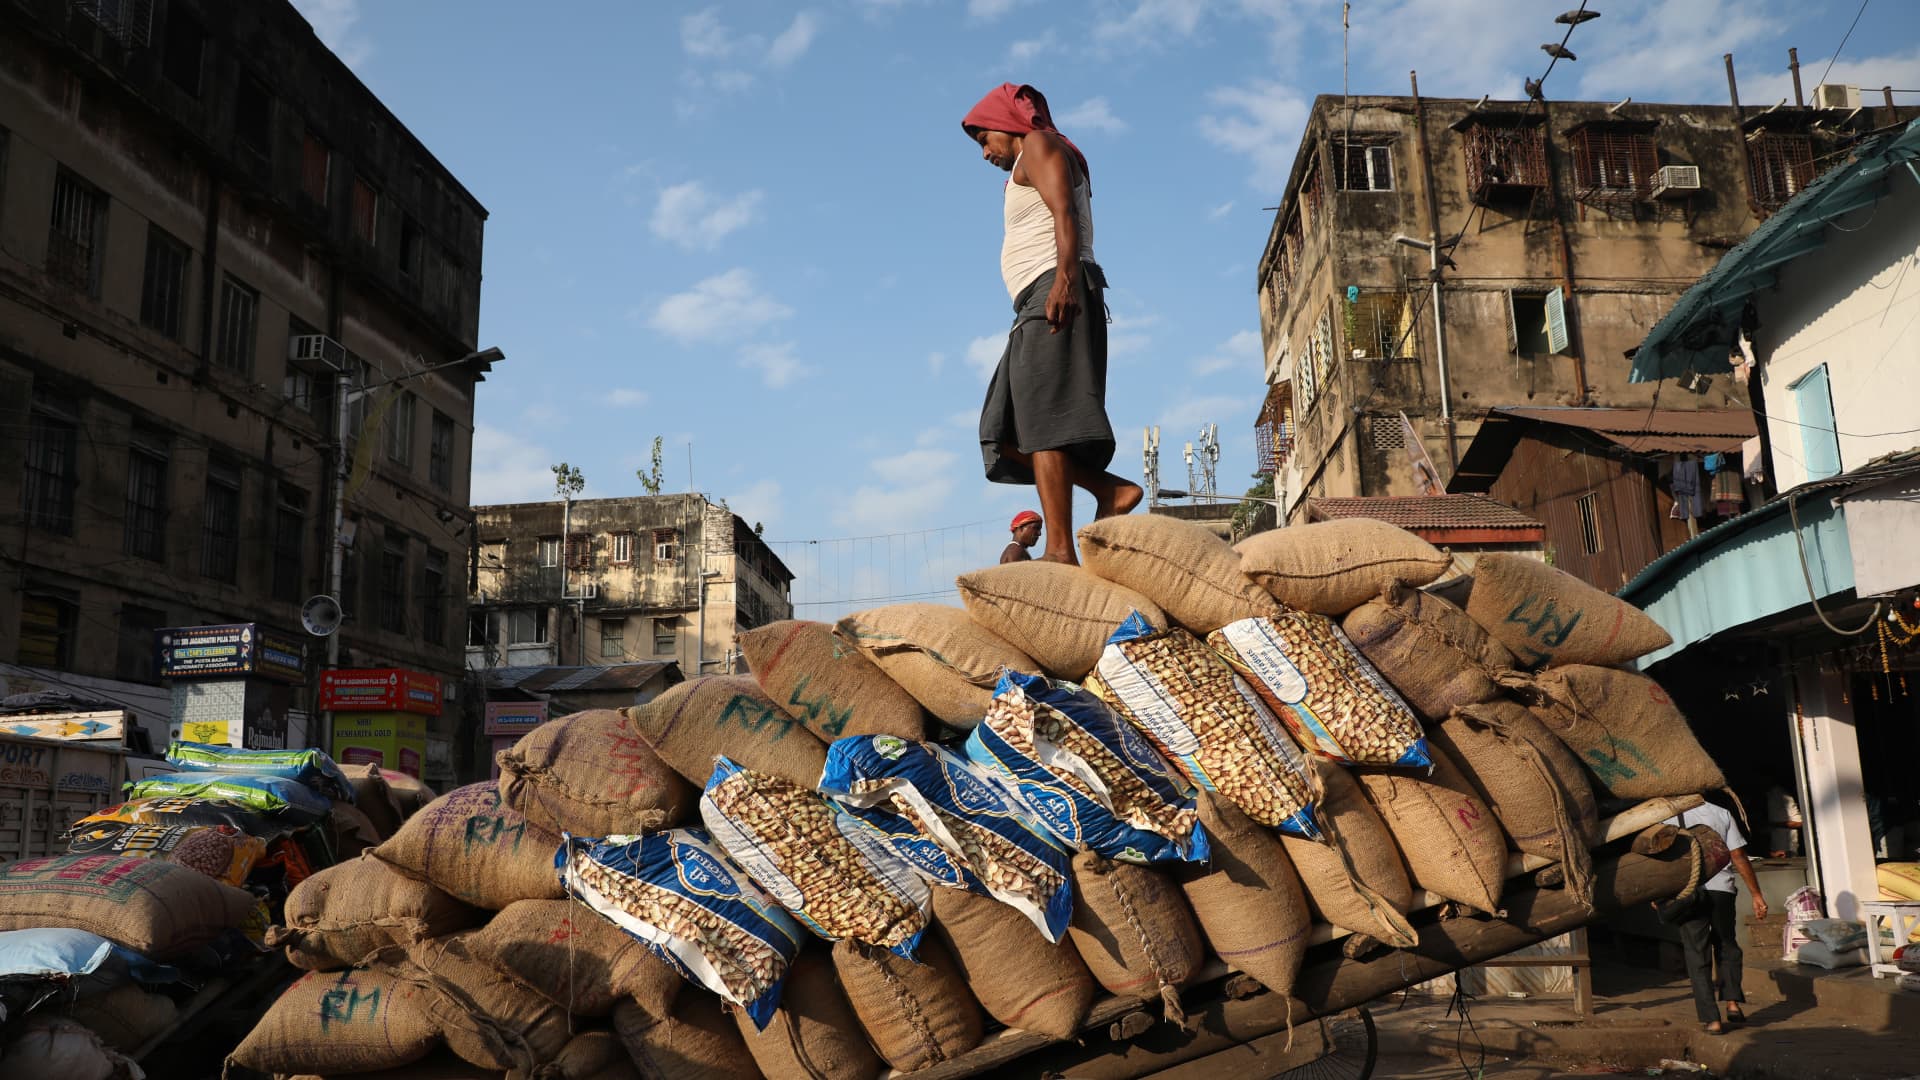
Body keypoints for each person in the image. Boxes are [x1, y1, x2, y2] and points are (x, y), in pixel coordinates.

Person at [963, 83, 1141, 564]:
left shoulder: (1039, 145)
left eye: (984, 139)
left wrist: (1064, 279)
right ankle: (1110, 490)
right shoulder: (1025, 163)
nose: (984, 153)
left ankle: (1060, 549)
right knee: (1004, 431)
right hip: (1033, 301)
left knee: (1041, 424)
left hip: (1054, 289)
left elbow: (1066, 214)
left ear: (1007, 122)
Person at [1664, 799, 1768, 1034]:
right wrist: (1756, 894)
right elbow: (1738, 855)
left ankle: (1712, 1019)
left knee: (1696, 953)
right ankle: (1732, 1004)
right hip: (1722, 890)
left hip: (1688, 893)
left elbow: (1662, 860)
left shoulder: (1666, 817)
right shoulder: (1720, 813)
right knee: (1727, 945)